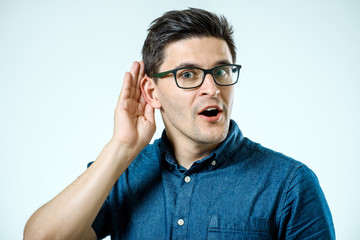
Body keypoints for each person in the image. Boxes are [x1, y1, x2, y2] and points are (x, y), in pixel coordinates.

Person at [24, 8, 335, 240]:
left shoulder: (290, 184)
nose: (212, 88)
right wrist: (121, 147)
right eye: (188, 75)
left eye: (222, 71)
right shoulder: (124, 175)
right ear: (151, 92)